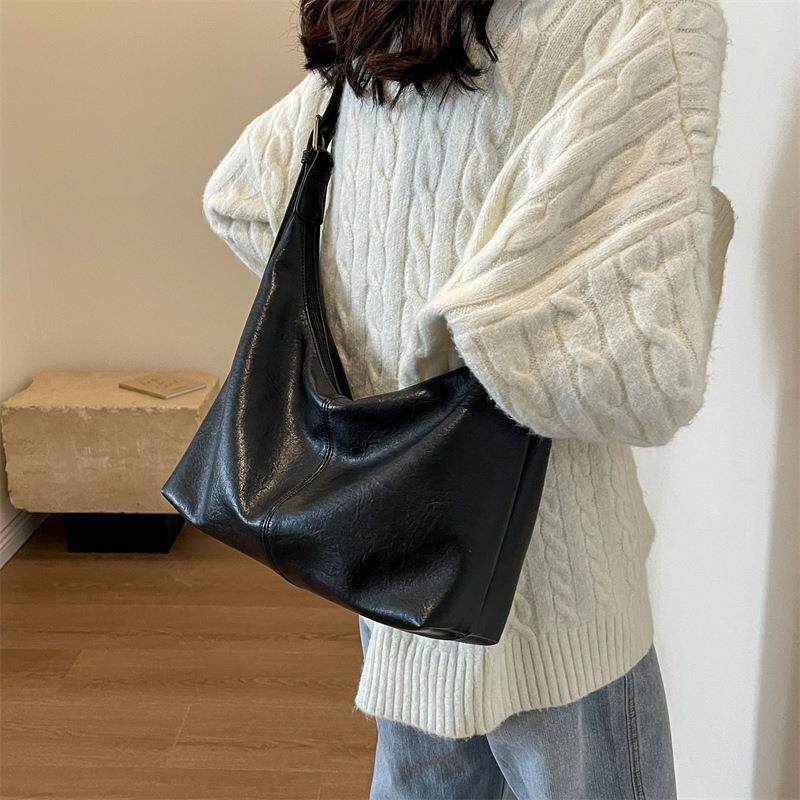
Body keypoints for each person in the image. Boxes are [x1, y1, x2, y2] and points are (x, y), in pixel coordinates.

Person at [201, 0, 734, 797]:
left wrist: (383, 335)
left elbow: (242, 196)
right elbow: (644, 372)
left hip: (398, 559)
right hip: (556, 594)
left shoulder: (379, 24)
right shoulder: (641, 21)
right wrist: (700, 227)